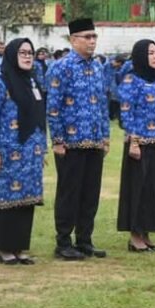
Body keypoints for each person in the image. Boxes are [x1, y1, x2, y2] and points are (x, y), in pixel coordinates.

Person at [48, 18, 110, 261]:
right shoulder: (61, 67)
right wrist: (57, 139)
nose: (92, 41)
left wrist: (105, 136)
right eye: (87, 37)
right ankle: (63, 241)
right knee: (69, 193)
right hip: (71, 142)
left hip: (94, 140)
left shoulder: (98, 67)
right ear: (74, 40)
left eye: (94, 37)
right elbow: (54, 106)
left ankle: (85, 240)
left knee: (90, 194)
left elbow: (103, 103)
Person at [0, 38, 47, 265]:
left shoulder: (33, 82)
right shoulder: (0, 83)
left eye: (30, 53)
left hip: (31, 152)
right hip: (8, 151)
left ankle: (19, 247)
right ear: (11, 55)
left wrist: (42, 149)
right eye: (22, 53)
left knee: (26, 199)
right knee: (6, 198)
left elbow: (39, 117)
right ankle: (4, 248)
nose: (28, 57)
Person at [117, 39, 155, 252]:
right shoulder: (131, 79)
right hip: (140, 145)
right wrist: (133, 141)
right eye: (151, 52)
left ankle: (147, 234)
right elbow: (126, 112)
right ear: (141, 56)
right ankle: (135, 237)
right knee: (139, 190)